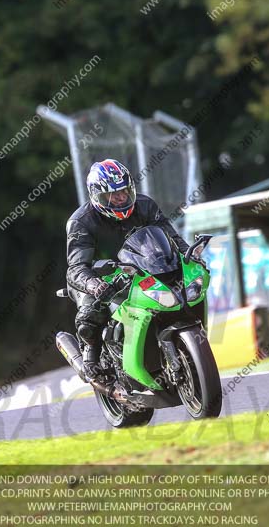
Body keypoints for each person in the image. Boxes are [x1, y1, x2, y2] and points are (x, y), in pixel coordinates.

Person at [65, 158, 192, 382]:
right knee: (90, 313)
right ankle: (90, 357)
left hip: (139, 268)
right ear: (97, 195)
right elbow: (76, 267)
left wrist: (190, 255)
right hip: (97, 276)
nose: (120, 198)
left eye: (123, 191)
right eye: (112, 195)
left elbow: (172, 237)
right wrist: (94, 285)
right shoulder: (81, 222)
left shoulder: (145, 206)